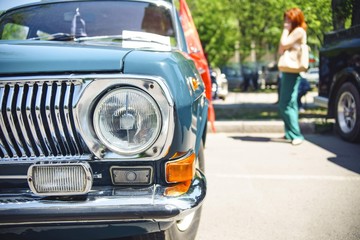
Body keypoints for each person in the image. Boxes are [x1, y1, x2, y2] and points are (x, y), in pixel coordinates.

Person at [277, 7, 307, 145]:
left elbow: (283, 44)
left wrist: (285, 29)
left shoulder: (298, 31)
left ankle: (296, 135)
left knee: (285, 104)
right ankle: (290, 133)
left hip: (292, 71)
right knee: (291, 104)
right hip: (289, 70)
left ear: (295, 19)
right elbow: (280, 49)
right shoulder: (294, 32)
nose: (286, 21)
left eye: (289, 18)